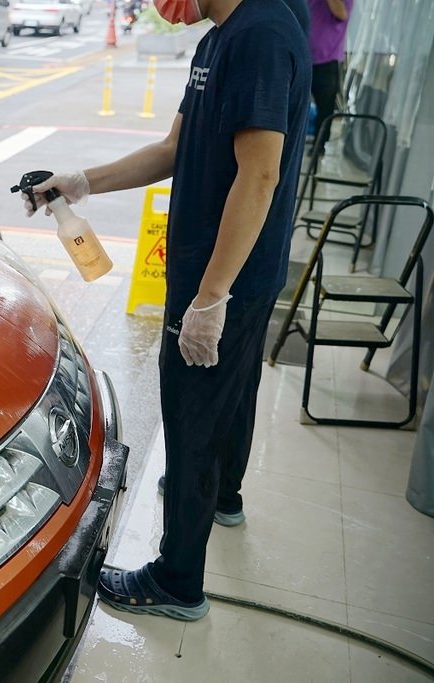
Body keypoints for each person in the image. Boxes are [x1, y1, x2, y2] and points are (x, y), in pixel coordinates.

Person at [23, 0, 310, 620]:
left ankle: (178, 579)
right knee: (230, 394)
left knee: (192, 417)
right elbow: (175, 149)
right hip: (221, 270)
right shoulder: (219, 39)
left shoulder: (260, 35)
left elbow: (259, 177)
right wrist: (82, 181)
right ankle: (221, 496)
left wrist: (210, 298)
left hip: (223, 275)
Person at [307, 0, 352, 156]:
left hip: (327, 60)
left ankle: (319, 146)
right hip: (304, 55)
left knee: (324, 109)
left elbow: (341, 13)